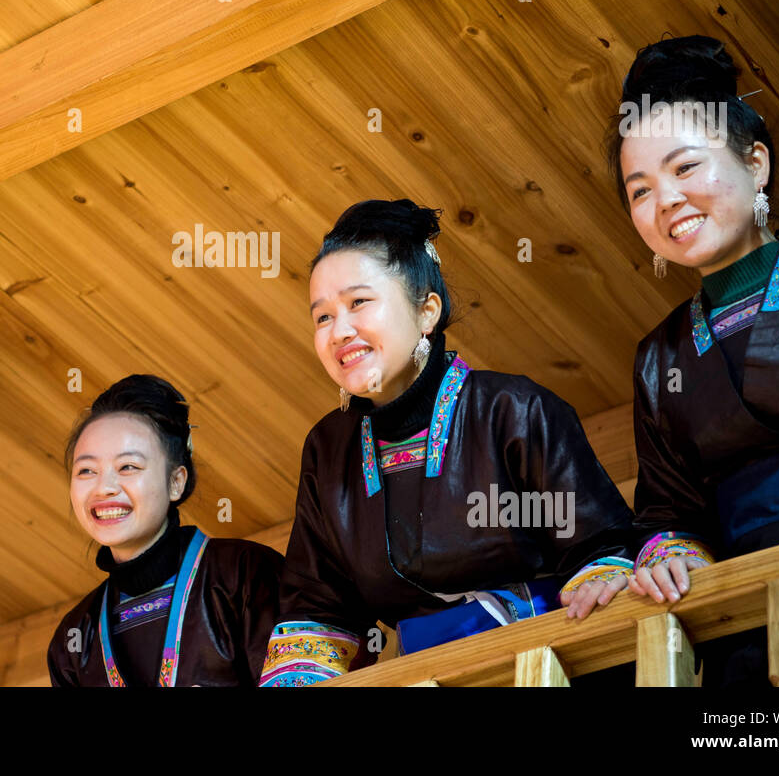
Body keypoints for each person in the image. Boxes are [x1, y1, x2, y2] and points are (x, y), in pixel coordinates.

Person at [259, 199, 635, 686]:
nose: (340, 331)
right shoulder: (330, 449)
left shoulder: (512, 409)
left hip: (544, 664)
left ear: (426, 311)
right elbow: (319, 605)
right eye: (322, 317)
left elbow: (601, 548)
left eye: (358, 303)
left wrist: (601, 580)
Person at [608, 33, 779, 685]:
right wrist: (672, 559)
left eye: (684, 167)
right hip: (748, 630)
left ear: (754, 162)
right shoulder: (658, 357)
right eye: (639, 190)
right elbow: (670, 514)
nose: (665, 199)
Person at [46, 375, 284, 686]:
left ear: (176, 481)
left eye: (128, 467)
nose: (104, 488)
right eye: (86, 471)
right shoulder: (73, 637)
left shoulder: (245, 575)